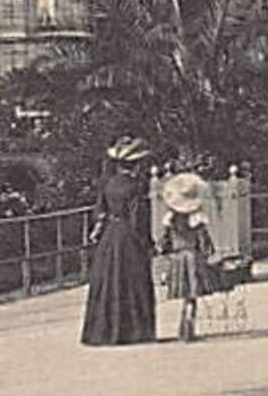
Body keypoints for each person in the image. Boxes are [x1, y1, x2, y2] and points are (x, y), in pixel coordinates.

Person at [81, 138, 159, 346]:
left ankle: (103, 331)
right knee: (133, 280)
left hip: (110, 235)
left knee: (108, 281)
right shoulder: (137, 186)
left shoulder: (108, 184)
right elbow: (138, 218)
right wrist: (147, 243)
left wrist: (97, 232)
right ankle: (134, 331)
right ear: (136, 164)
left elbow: (100, 212)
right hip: (128, 236)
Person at [158, 172, 218, 342]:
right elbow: (204, 241)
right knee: (192, 294)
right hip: (192, 256)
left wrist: (166, 253)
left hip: (177, 258)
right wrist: (209, 253)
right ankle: (188, 328)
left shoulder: (170, 219)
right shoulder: (196, 219)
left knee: (184, 292)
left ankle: (183, 328)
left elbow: (164, 243)